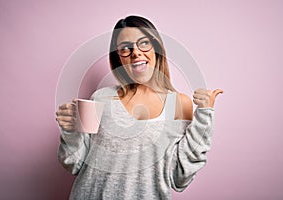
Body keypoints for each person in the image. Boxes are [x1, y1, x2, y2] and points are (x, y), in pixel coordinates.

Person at [55, 15, 223, 200]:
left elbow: (179, 178)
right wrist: (70, 131)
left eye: (143, 43)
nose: (135, 53)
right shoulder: (100, 98)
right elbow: (74, 163)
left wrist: (205, 115)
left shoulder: (176, 104)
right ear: (119, 57)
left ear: (156, 48)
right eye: (125, 48)